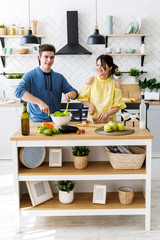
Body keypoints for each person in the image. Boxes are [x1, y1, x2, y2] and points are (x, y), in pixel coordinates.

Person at [14, 44, 78, 122]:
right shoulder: (30, 76)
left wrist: (71, 94)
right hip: (36, 121)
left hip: (56, 120)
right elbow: (18, 91)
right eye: (46, 57)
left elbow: (74, 93)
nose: (49, 60)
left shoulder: (59, 77)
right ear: (39, 57)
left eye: (51, 57)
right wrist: (39, 103)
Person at [77, 54, 126, 121]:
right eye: (97, 65)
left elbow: (117, 106)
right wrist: (90, 105)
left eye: (102, 65)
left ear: (110, 67)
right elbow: (82, 98)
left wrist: (107, 113)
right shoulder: (91, 80)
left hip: (109, 121)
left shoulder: (115, 83)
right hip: (93, 120)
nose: (99, 68)